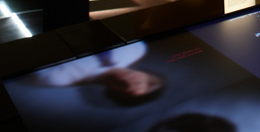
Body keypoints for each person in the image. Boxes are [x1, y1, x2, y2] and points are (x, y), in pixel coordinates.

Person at [28, 44, 164, 106]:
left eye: (129, 87)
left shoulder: (58, 78)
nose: (139, 81)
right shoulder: (136, 50)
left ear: (113, 91)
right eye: (150, 82)